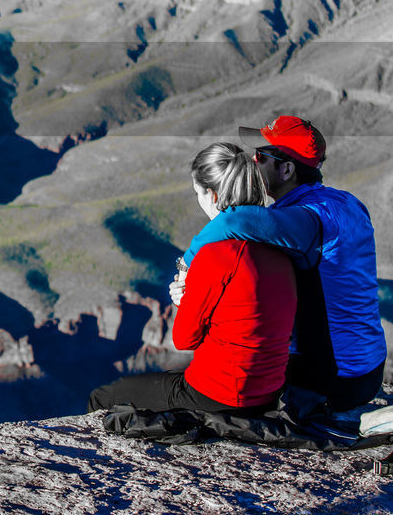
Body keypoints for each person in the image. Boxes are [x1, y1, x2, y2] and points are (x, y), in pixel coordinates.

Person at [180, 115, 387, 410]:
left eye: (261, 156)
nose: (252, 160)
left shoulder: (307, 220)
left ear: (287, 169)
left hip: (333, 380)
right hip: (368, 369)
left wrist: (186, 268)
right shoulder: (347, 202)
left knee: (217, 387)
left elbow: (237, 220)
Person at [88, 143, 296, 415]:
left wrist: (185, 300)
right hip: (267, 394)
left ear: (212, 195)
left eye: (197, 192)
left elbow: (184, 339)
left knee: (102, 397)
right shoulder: (282, 251)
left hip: (218, 394)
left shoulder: (215, 256)